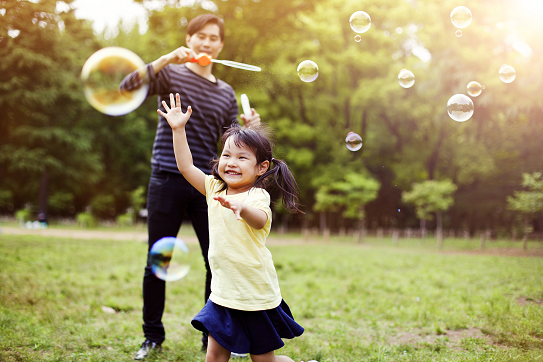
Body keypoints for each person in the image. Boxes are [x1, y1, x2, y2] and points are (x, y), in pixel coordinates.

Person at [119, 14, 261, 360]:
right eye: (200, 36)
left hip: (207, 186)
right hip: (166, 176)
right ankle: (152, 337)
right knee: (158, 261)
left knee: (217, 262)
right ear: (189, 39)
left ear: (220, 45)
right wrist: (166, 58)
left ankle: (213, 338)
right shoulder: (170, 73)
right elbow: (127, 86)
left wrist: (250, 129)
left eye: (213, 38)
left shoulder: (226, 92)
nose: (207, 42)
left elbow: (232, 145)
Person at [159, 92, 305, 361]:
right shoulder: (214, 187)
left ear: (261, 167)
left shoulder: (257, 197)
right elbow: (185, 166)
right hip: (224, 291)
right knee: (214, 356)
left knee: (263, 360)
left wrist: (242, 208)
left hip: (254, 291)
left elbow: (260, 219)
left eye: (241, 158)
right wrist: (178, 129)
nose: (231, 163)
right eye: (227, 155)